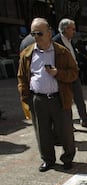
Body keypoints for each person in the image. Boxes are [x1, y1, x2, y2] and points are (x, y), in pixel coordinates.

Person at [17, 17, 77, 172]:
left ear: (49, 33)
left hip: (59, 98)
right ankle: (48, 160)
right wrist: (25, 97)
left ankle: (68, 158)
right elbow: (22, 77)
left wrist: (58, 73)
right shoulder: (27, 54)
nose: (36, 37)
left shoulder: (62, 52)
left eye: (39, 33)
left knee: (65, 132)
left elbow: (74, 73)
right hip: (38, 99)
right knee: (42, 132)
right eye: (33, 34)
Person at [53, 18, 87, 129]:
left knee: (79, 99)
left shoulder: (70, 41)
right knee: (66, 101)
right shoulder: (56, 42)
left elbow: (76, 55)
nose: (74, 31)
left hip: (74, 74)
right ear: (65, 29)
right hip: (64, 76)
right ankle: (68, 125)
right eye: (72, 29)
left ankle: (85, 120)